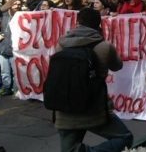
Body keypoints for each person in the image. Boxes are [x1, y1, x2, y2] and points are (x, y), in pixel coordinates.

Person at [55, 8, 133, 151]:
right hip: (94, 110)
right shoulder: (104, 46)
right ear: (98, 24)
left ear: (77, 22)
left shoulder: (61, 44)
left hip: (65, 110)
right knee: (124, 137)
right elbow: (117, 66)